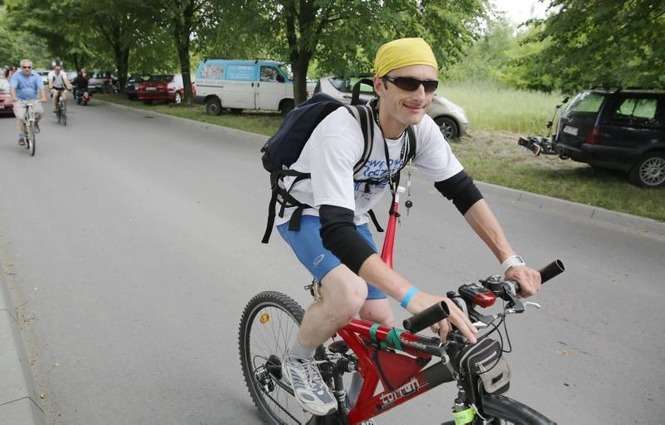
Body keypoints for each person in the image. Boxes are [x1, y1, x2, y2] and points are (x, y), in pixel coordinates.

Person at [275, 38, 542, 417]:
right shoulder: (341, 131)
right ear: (380, 85)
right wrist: (415, 298)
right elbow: (335, 231)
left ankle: (348, 412)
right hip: (307, 213)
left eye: (430, 85)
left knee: (380, 325)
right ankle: (299, 359)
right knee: (348, 295)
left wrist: (510, 260)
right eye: (407, 82)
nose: (421, 95)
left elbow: (463, 193)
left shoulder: (422, 131)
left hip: (350, 217)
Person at [10, 59, 48, 145]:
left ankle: (35, 123)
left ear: (31, 67)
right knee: (20, 117)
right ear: (21, 68)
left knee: (40, 112)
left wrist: (43, 97)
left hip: (33, 100)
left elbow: (41, 88)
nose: (27, 69)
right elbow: (12, 88)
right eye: (24, 67)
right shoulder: (16, 76)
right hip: (20, 100)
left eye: (29, 67)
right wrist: (14, 98)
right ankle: (21, 136)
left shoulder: (36, 76)